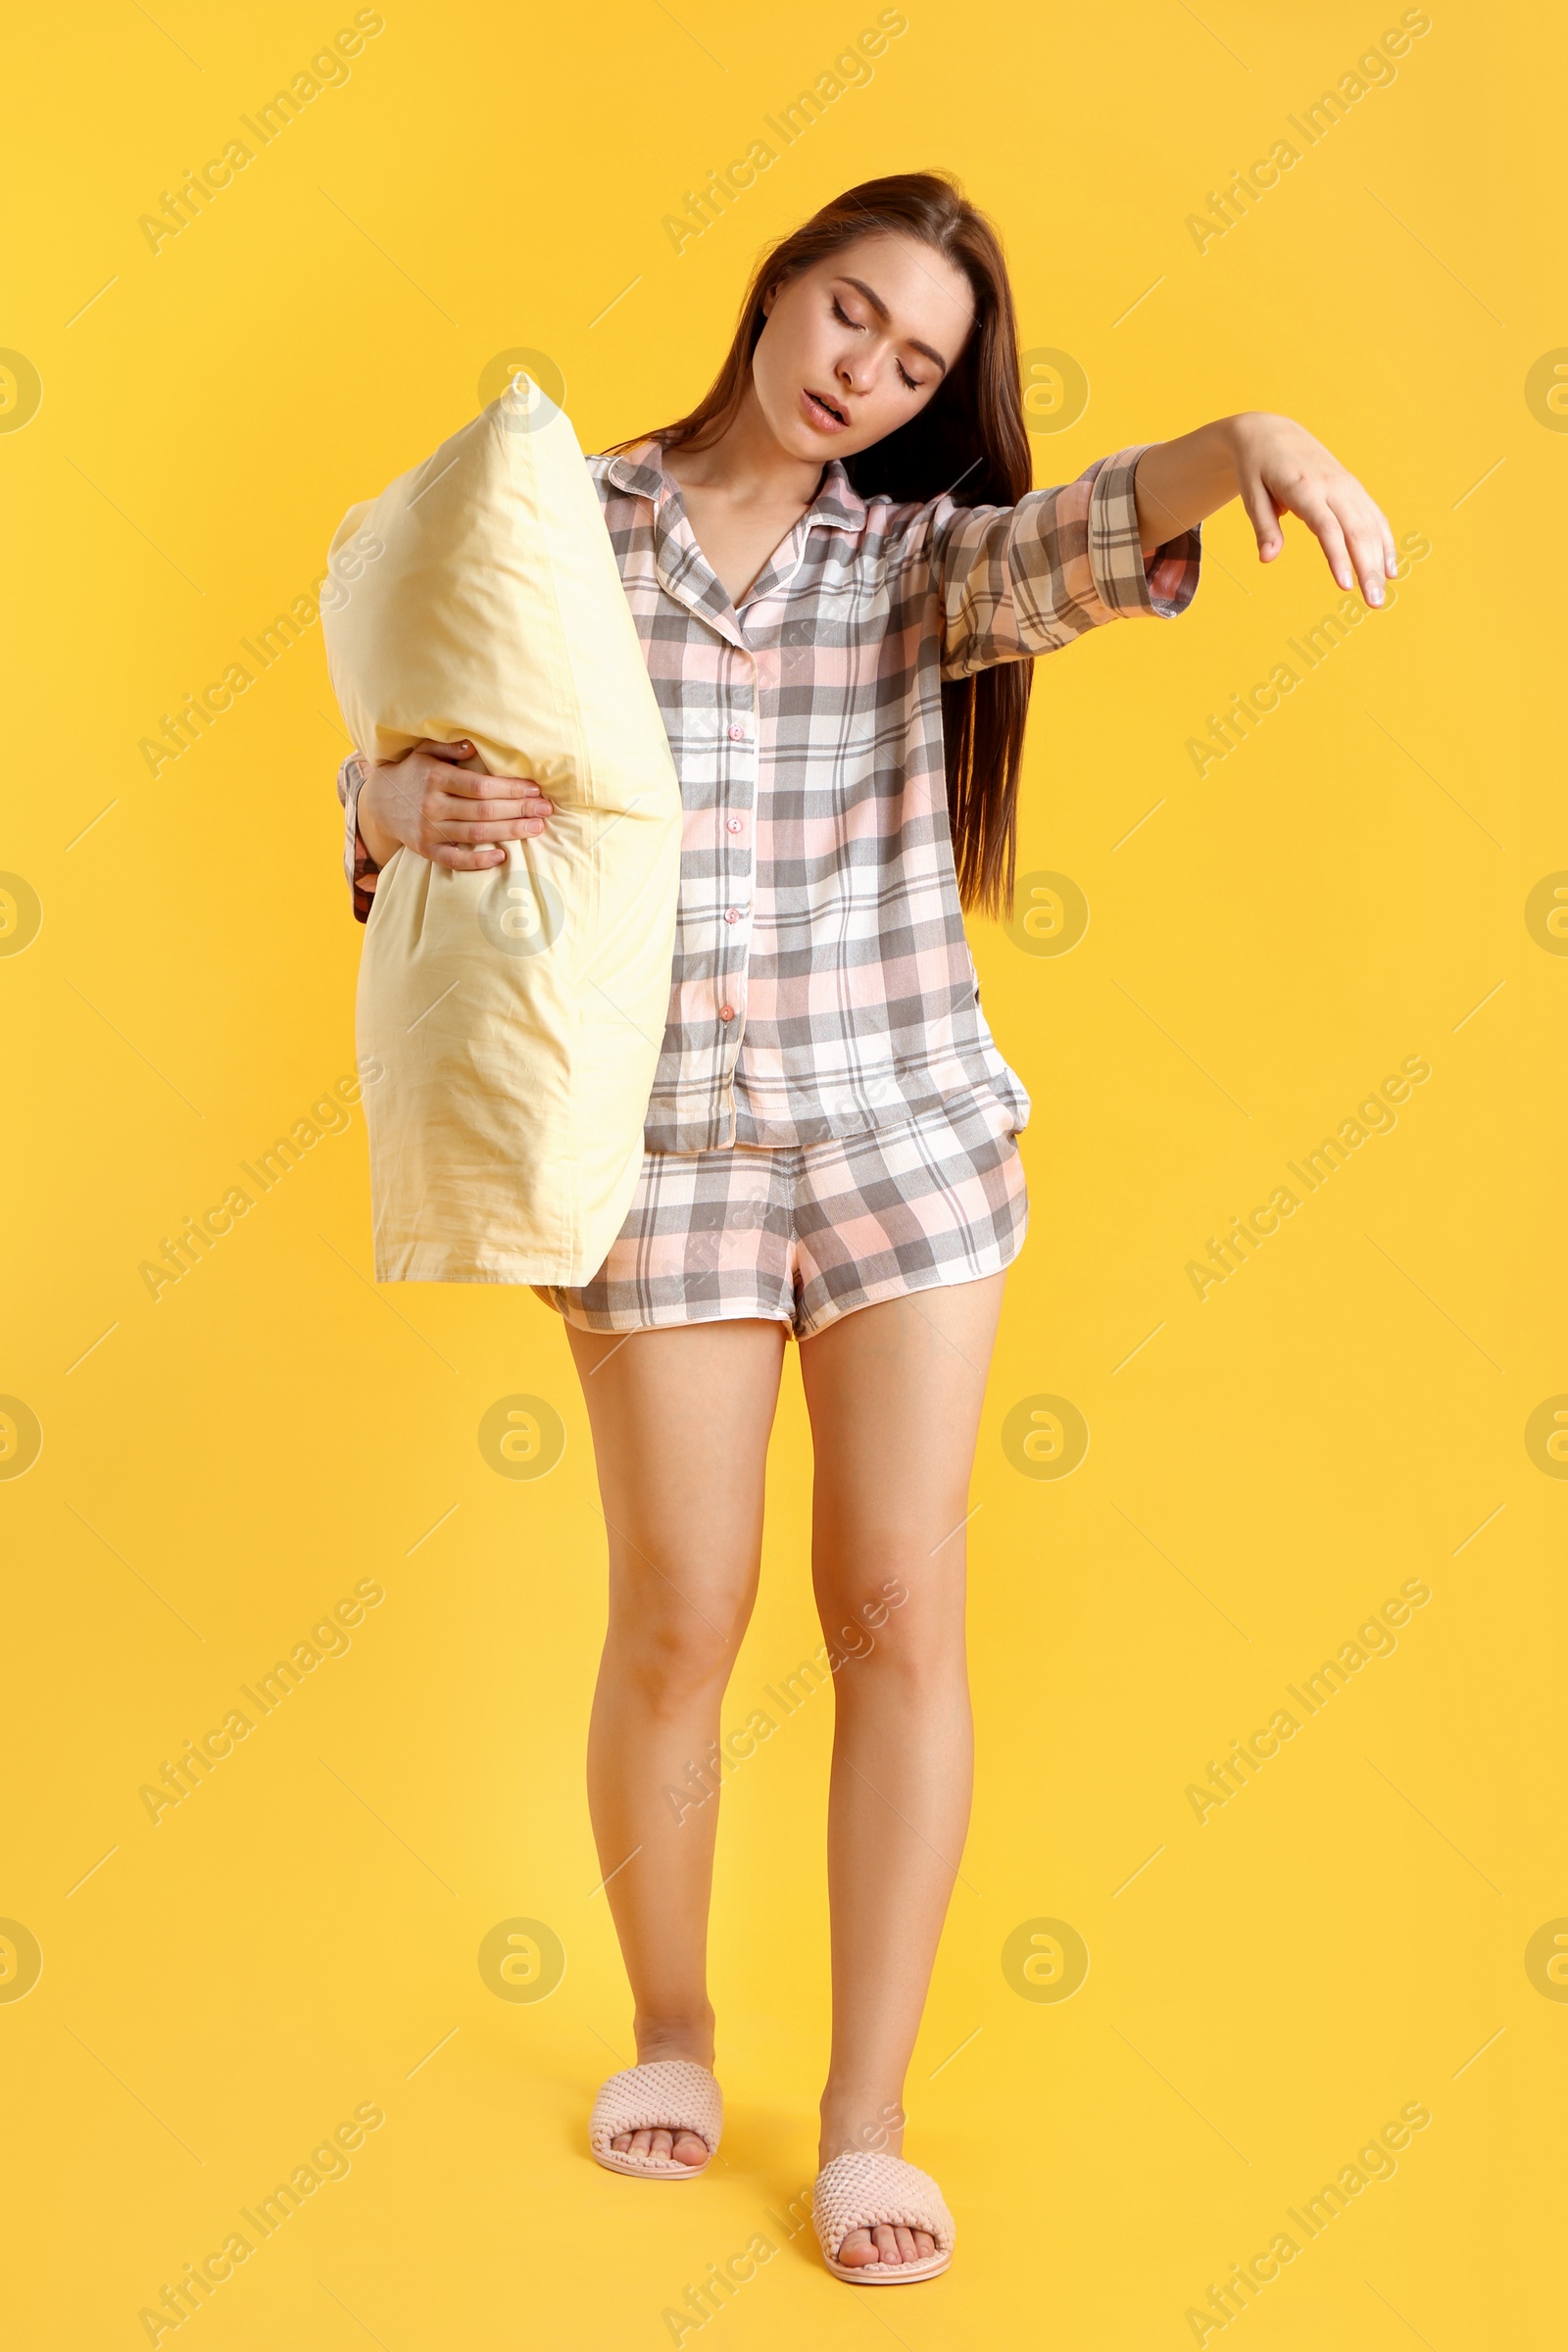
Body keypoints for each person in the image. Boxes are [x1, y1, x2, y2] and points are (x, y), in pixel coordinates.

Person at [335, 172, 1395, 2283]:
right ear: (775, 289)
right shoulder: (576, 523)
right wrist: (379, 808)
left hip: (900, 1132)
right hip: (653, 1154)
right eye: (848, 316)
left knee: (897, 1607)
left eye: (914, 363)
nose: (863, 374)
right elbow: (400, 719)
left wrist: (1251, 441)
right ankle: (668, 2028)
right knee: (677, 1608)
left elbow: (1080, 537)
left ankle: (866, 2123)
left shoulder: (911, 566)